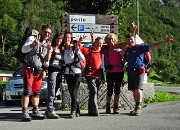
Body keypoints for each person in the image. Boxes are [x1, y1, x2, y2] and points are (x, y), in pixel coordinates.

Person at [124, 24, 174, 116]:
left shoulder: (139, 47)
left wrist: (164, 42)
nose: (130, 41)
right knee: (134, 90)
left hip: (139, 71)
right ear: (126, 41)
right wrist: (133, 30)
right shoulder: (127, 50)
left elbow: (153, 46)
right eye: (128, 39)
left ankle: (138, 107)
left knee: (137, 89)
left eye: (131, 39)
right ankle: (136, 106)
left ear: (134, 40)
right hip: (130, 71)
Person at [21, 24, 52, 121]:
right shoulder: (32, 38)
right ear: (41, 31)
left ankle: (35, 111)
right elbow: (23, 49)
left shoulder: (47, 44)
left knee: (36, 92)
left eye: (49, 33)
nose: (46, 34)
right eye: (45, 32)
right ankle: (24, 112)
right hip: (28, 68)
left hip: (39, 70)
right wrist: (33, 45)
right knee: (27, 91)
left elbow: (46, 61)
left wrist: (45, 70)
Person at [79, 33, 104, 116]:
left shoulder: (101, 52)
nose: (99, 44)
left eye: (101, 43)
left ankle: (91, 110)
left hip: (98, 74)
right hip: (90, 74)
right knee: (94, 91)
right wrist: (80, 40)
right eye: (98, 42)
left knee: (93, 92)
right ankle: (96, 109)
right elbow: (79, 47)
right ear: (95, 43)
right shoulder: (88, 51)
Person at [62, 32, 85, 118]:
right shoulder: (63, 49)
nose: (67, 39)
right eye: (66, 37)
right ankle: (78, 109)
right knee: (72, 93)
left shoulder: (74, 48)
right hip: (68, 73)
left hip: (76, 72)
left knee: (74, 92)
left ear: (71, 39)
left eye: (69, 37)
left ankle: (73, 111)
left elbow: (82, 58)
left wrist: (77, 50)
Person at [102, 33, 124, 114]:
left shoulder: (119, 47)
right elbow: (96, 45)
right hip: (110, 72)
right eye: (109, 39)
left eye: (112, 38)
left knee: (117, 90)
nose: (111, 40)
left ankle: (115, 107)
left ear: (115, 39)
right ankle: (108, 107)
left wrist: (133, 30)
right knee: (109, 90)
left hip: (119, 72)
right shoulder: (106, 49)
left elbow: (128, 42)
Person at [44, 32, 64, 119]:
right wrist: (49, 51)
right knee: (51, 90)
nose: (59, 40)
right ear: (55, 39)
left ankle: (49, 108)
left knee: (55, 91)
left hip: (60, 72)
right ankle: (50, 110)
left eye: (61, 39)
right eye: (58, 38)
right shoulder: (52, 48)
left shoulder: (62, 49)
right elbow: (47, 59)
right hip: (52, 71)